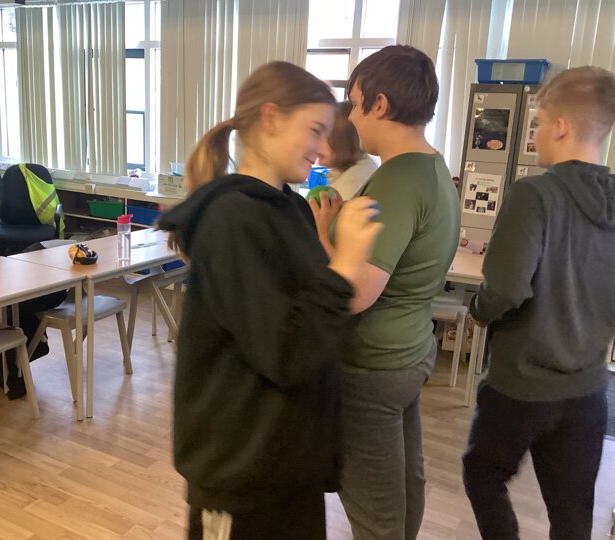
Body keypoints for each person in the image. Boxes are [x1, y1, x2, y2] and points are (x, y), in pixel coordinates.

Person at [157, 61, 382, 539]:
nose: (323, 148)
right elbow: (287, 352)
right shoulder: (232, 219)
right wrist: (344, 266)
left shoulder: (292, 208)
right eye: (315, 130)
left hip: (287, 465)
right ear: (272, 118)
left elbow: (313, 327)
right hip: (240, 476)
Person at [312, 45, 461, 539]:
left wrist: (322, 236)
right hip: (408, 351)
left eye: (356, 104)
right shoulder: (431, 167)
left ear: (380, 104)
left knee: (376, 516)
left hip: (372, 366)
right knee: (403, 487)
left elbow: (355, 293)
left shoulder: (395, 180)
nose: (352, 117)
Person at [462, 66, 615, 539]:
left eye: (538, 123)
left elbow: (506, 289)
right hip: (588, 390)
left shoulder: (533, 194)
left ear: (561, 126)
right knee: (572, 512)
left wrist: (478, 310)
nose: (534, 134)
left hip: (522, 385)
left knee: (482, 473)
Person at [319, 101, 378, 200]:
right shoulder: (357, 171)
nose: (315, 145)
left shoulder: (351, 183)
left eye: (324, 137)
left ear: (342, 141)